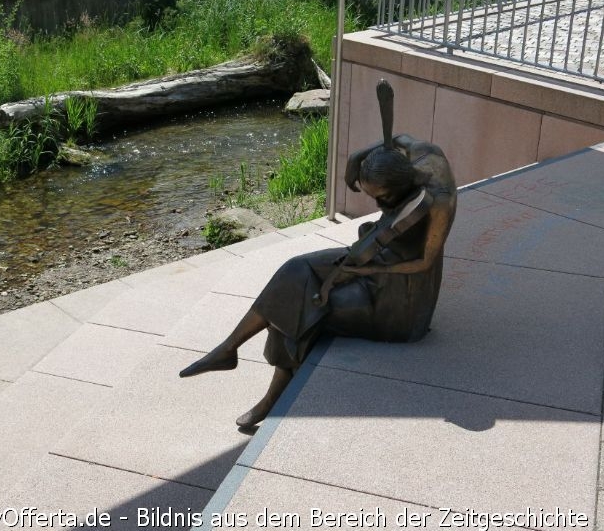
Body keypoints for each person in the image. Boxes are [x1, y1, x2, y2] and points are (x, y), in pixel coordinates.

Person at [179, 133, 457, 428]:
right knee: (296, 270)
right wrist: (356, 157)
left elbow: (424, 263)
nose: (377, 204)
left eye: (383, 197)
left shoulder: (440, 201)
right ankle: (228, 348)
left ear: (401, 185)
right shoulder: (424, 153)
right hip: (373, 254)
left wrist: (366, 272)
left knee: (302, 311)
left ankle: (269, 402)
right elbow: (396, 137)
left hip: (400, 297)